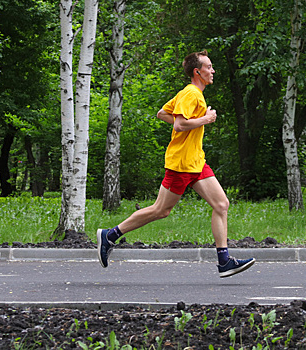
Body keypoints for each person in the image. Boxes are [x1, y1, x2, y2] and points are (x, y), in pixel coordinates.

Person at [97, 50, 255, 278]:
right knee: (161, 210)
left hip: (196, 161)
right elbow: (180, 125)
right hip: (181, 163)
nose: (213, 71)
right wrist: (206, 120)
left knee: (221, 204)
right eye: (209, 67)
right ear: (197, 71)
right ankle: (111, 235)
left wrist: (196, 121)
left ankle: (224, 261)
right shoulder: (191, 94)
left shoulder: (190, 94)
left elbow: (163, 113)